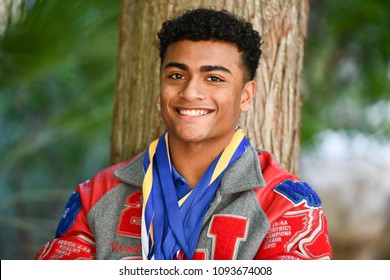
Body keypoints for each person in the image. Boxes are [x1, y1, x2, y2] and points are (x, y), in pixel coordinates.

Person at [35, 8, 332, 260]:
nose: (190, 92)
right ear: (160, 86)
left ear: (246, 95)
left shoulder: (286, 204)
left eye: (213, 78)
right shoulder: (96, 194)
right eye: (177, 76)